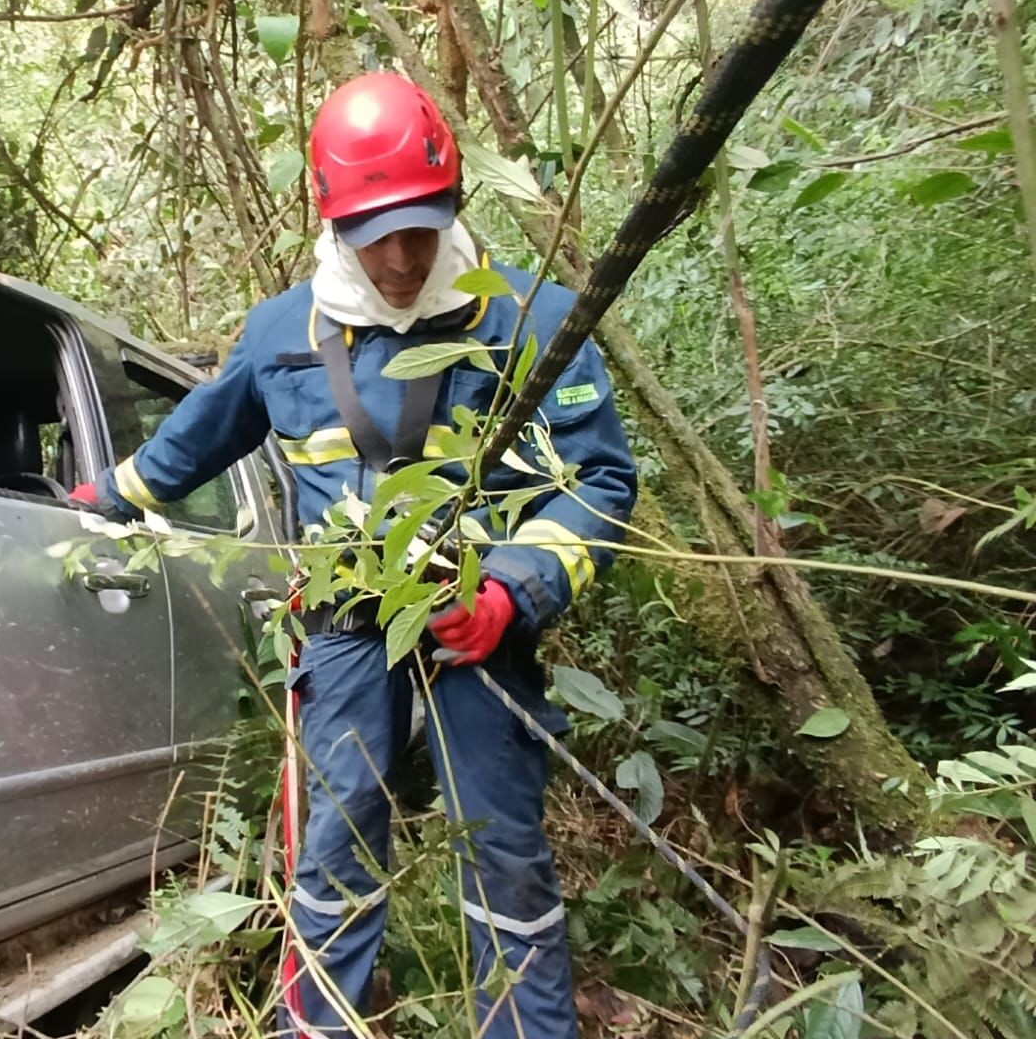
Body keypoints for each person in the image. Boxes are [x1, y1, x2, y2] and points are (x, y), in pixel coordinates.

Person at [73, 72, 637, 1038]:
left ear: (454, 201)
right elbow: (189, 446)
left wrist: (510, 593)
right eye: (380, 236)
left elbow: (600, 488)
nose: (407, 258)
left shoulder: (533, 321)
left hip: (475, 628)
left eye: (425, 226)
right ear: (334, 223)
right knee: (331, 854)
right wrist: (98, 503)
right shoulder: (278, 334)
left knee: (502, 851)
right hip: (341, 630)